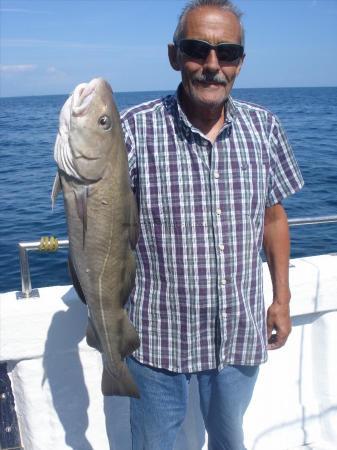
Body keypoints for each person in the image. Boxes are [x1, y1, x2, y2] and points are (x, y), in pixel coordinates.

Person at [120, 1, 304, 449]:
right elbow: (100, 217)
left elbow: (274, 217)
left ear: (241, 61)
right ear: (173, 55)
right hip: (156, 337)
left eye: (228, 54)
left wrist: (281, 299)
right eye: (197, 49)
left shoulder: (264, 127)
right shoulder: (133, 129)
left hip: (238, 334)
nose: (212, 66)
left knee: (229, 441)